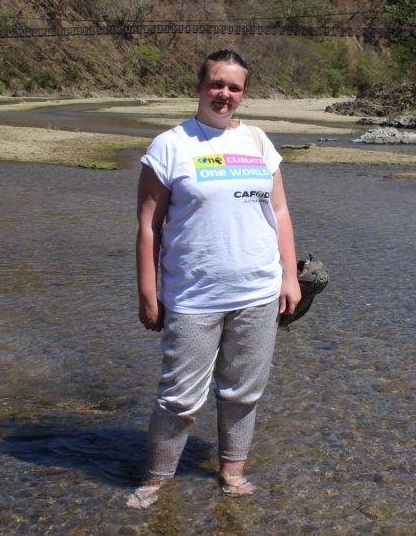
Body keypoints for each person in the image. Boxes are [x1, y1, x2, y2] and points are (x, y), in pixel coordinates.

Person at [127, 49, 301, 510]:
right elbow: (148, 227)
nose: (224, 94)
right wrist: (149, 294)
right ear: (201, 87)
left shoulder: (261, 143)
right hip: (193, 295)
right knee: (179, 397)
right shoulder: (170, 145)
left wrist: (291, 277)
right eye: (217, 84)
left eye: (234, 87)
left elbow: (279, 212)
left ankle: (232, 470)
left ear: (244, 94)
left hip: (257, 291)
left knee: (244, 390)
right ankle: (157, 477)